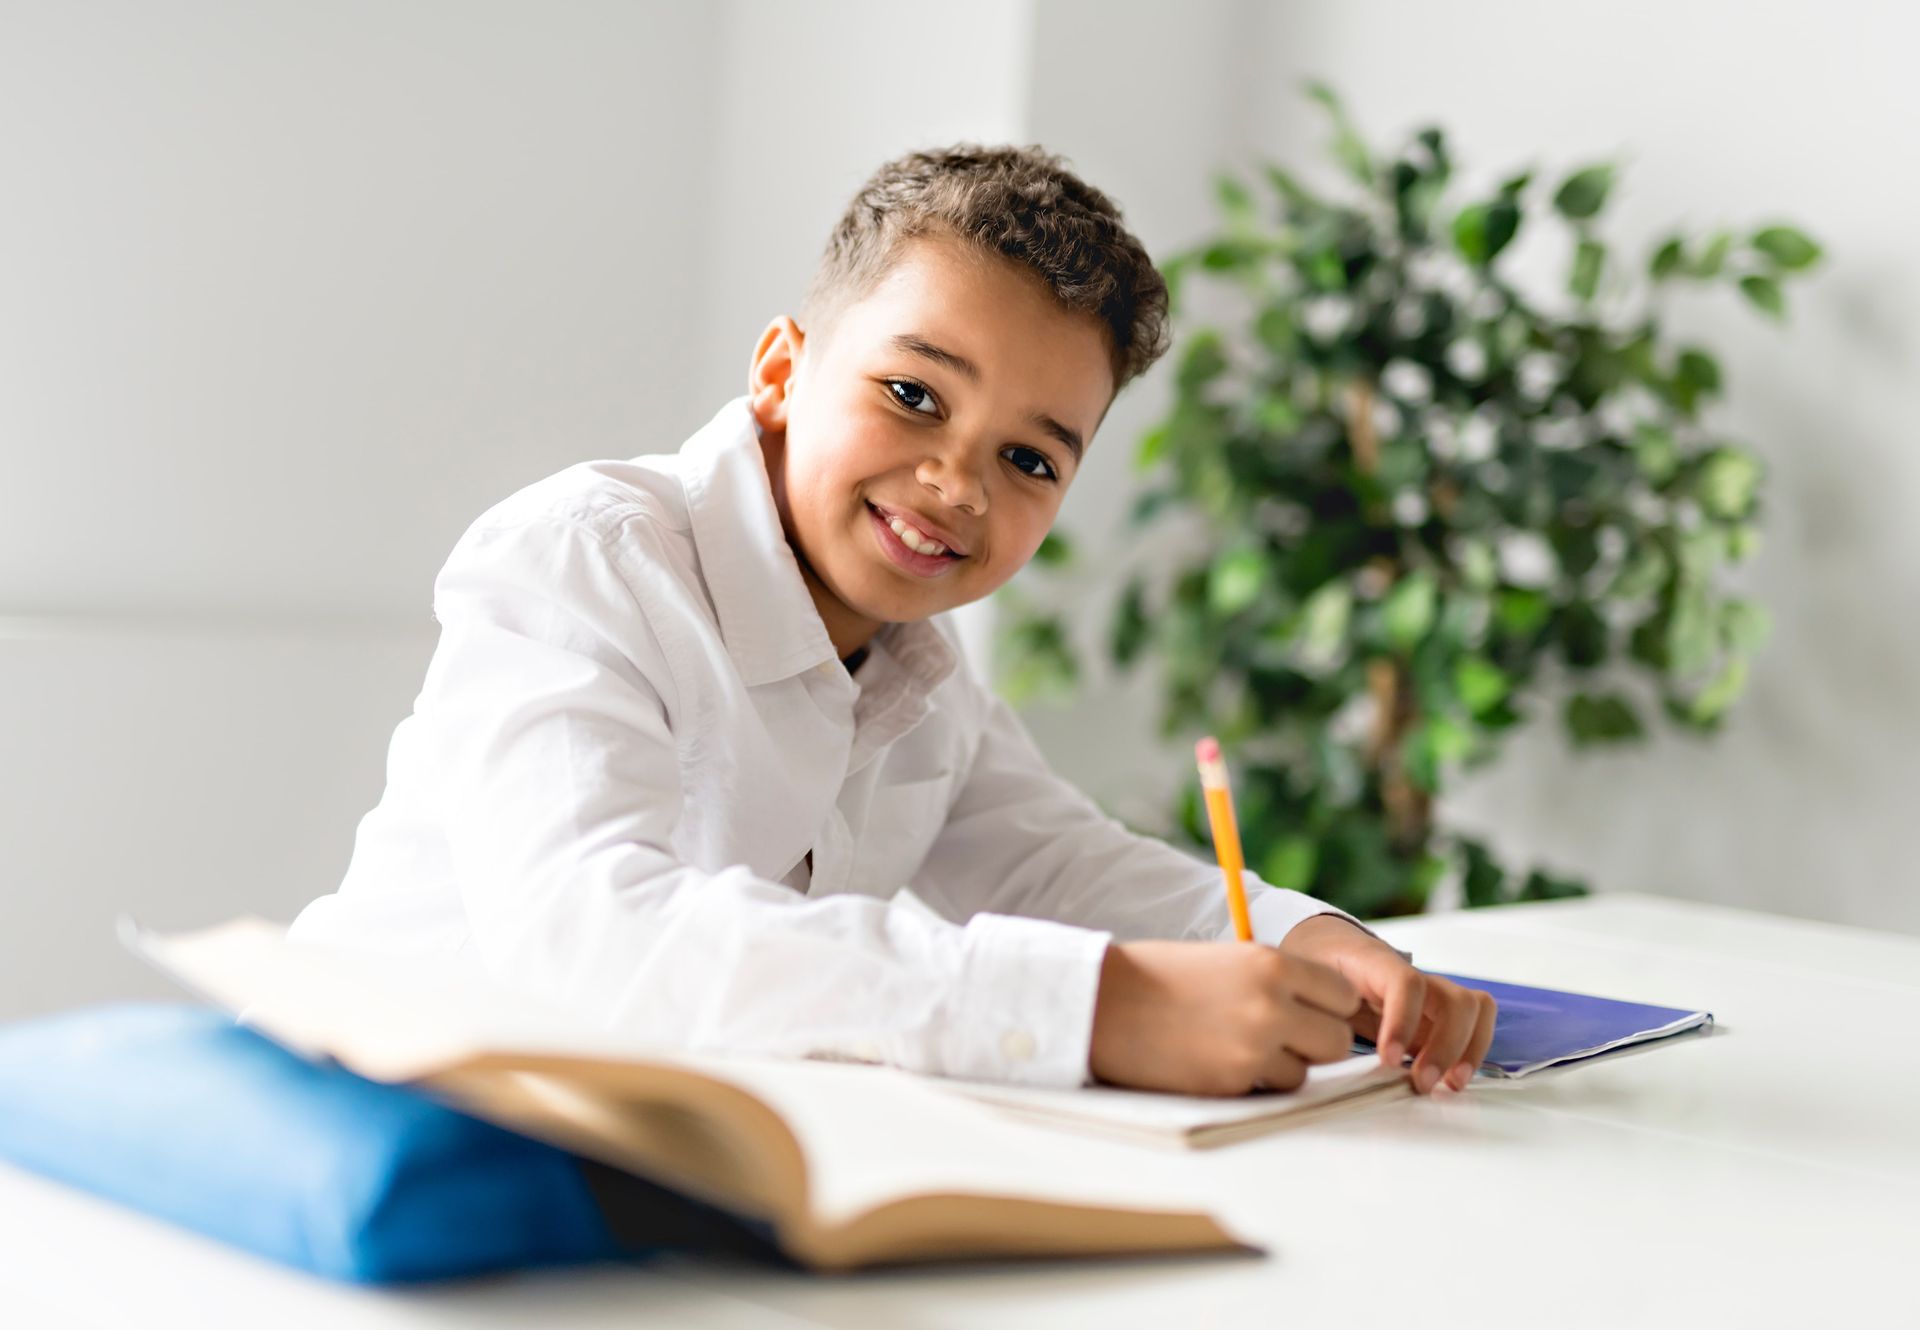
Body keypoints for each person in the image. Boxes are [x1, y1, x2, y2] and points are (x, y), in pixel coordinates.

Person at [289, 145, 1495, 1098]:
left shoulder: (921, 671)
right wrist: (1095, 1008)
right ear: (781, 370)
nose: (958, 485)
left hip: (637, 1167)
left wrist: (1306, 936)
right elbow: (594, 932)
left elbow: (1057, 863)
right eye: (913, 394)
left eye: (1029, 457)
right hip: (371, 1130)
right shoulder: (586, 557)